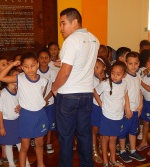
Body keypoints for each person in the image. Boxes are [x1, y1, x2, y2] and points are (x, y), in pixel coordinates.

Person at [51, 8, 99, 167]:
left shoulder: (71, 41)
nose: (61, 28)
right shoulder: (94, 39)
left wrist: (54, 87)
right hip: (86, 94)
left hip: (69, 95)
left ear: (75, 22)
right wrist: (63, 62)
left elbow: (65, 73)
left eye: (63, 23)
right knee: (84, 135)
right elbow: (83, 63)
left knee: (66, 137)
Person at [0, 52, 49, 167]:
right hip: (26, 117)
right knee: (24, 146)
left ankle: (41, 164)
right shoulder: (19, 78)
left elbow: (40, 96)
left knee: (39, 143)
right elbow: (0, 77)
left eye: (33, 65)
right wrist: (12, 65)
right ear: (21, 67)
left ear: (38, 64)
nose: (30, 69)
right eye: (26, 66)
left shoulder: (44, 81)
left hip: (40, 115)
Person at [94, 61, 129, 167]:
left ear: (124, 75)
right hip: (107, 116)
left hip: (118, 116)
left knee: (113, 139)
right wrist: (101, 105)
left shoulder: (124, 83)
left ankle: (113, 160)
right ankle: (105, 161)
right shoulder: (105, 84)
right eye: (113, 73)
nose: (114, 76)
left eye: (118, 74)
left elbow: (125, 94)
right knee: (105, 139)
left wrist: (127, 108)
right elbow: (95, 92)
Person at [0, 69, 30, 167]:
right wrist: (2, 127)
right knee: (8, 144)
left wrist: (20, 106)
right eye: (15, 76)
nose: (17, 78)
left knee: (21, 143)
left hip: (18, 121)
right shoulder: (3, 93)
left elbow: (23, 103)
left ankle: (26, 162)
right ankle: (11, 164)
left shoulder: (19, 91)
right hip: (7, 122)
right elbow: (0, 111)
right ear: (8, 78)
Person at [118, 52, 146, 163]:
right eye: (130, 63)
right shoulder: (125, 77)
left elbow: (139, 90)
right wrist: (127, 109)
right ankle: (122, 151)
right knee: (123, 131)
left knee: (134, 131)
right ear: (126, 63)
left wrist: (141, 105)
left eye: (135, 63)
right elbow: (124, 94)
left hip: (136, 109)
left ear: (139, 63)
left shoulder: (138, 75)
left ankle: (133, 150)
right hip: (127, 110)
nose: (133, 66)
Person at [37, 49, 57, 154]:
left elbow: (53, 88)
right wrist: (40, 101)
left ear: (49, 59)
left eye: (46, 57)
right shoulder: (35, 72)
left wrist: (45, 100)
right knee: (38, 123)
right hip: (37, 104)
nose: (44, 60)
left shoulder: (52, 72)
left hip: (49, 102)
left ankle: (48, 143)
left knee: (49, 124)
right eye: (41, 57)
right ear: (38, 60)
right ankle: (37, 141)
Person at [91, 57, 111, 164]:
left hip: (106, 108)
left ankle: (103, 147)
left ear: (104, 67)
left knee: (104, 130)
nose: (95, 69)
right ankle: (94, 150)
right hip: (96, 107)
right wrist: (99, 80)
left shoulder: (109, 77)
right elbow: (95, 92)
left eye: (98, 67)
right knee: (95, 129)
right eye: (94, 67)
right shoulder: (91, 78)